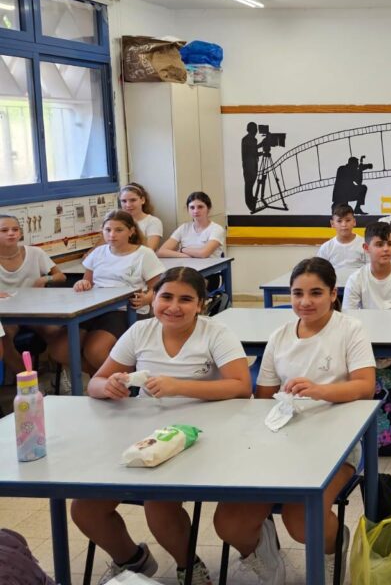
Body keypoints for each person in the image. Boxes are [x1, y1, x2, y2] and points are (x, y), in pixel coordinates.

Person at [71, 268, 251, 584]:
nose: (174, 307)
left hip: (201, 434)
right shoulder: (140, 332)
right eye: (166, 296)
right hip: (144, 433)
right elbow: (96, 382)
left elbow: (241, 386)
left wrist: (178, 386)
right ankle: (133, 560)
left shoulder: (215, 333)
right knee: (85, 509)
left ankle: (188, 566)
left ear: (200, 305)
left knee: (158, 503)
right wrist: (109, 386)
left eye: (186, 300)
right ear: (153, 298)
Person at [214, 258, 376, 585]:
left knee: (302, 520)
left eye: (316, 293)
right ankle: (262, 552)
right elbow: (264, 397)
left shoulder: (350, 330)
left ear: (333, 294)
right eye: (297, 293)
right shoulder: (280, 336)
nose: (305, 301)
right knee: (228, 522)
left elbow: (365, 386)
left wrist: (320, 391)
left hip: (337, 440)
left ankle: (332, 546)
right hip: (281, 439)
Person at [71, 211, 165, 374]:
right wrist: (81, 284)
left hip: (125, 310)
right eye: (108, 230)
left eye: (119, 230)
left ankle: (127, 379)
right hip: (95, 309)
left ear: (131, 231)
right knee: (61, 349)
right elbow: (87, 282)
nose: (112, 235)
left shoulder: (144, 254)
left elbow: (158, 289)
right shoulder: (98, 252)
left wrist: (145, 299)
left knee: (95, 350)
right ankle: (100, 376)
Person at [0, 214, 66, 376]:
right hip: (6, 314)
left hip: (34, 310)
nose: (11, 233)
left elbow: (60, 276)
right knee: (4, 338)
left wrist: (45, 278)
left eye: (15, 229)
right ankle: (29, 381)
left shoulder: (35, 252)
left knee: (55, 332)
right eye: (4, 230)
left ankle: (62, 373)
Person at [342, 221, 391, 310]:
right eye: (379, 245)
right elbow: (349, 315)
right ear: (366, 248)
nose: (386, 249)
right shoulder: (355, 280)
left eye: (390, 244)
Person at [158, 192, 227, 260]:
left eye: (200, 207)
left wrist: (182, 249)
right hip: (187, 266)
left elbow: (203, 253)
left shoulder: (217, 229)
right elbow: (161, 252)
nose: (196, 211)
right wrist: (185, 256)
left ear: (208, 208)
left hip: (211, 267)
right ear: (188, 210)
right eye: (192, 207)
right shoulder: (184, 228)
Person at [316, 203, 367, 272]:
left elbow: (371, 270)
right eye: (339, 221)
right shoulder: (326, 248)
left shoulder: (365, 245)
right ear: (332, 224)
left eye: (348, 220)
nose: (344, 225)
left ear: (354, 222)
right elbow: (319, 273)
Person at [119, 183, 163, 249]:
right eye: (124, 201)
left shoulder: (153, 221)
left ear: (142, 200)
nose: (128, 205)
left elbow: (150, 249)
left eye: (133, 200)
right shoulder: (116, 222)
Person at [242, 122, 259, 214]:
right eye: (254, 129)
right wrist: (261, 145)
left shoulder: (254, 140)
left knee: (251, 185)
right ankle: (250, 204)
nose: (256, 131)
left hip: (254, 165)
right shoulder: (246, 139)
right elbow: (251, 152)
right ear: (250, 130)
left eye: (256, 129)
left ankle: (252, 200)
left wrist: (260, 151)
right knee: (248, 185)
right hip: (248, 166)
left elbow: (254, 152)